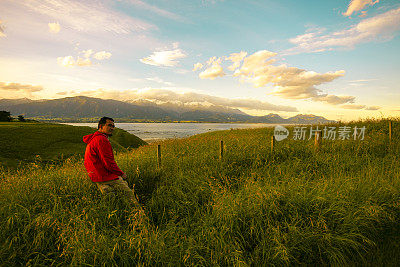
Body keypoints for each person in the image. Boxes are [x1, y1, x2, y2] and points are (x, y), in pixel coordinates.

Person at [83, 117, 139, 206]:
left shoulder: (94, 139)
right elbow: (108, 163)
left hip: (98, 177)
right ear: (101, 126)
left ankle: (120, 216)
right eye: (109, 125)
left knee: (112, 202)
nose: (112, 128)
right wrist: (121, 173)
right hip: (106, 177)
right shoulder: (101, 140)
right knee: (130, 198)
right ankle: (140, 216)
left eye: (113, 126)